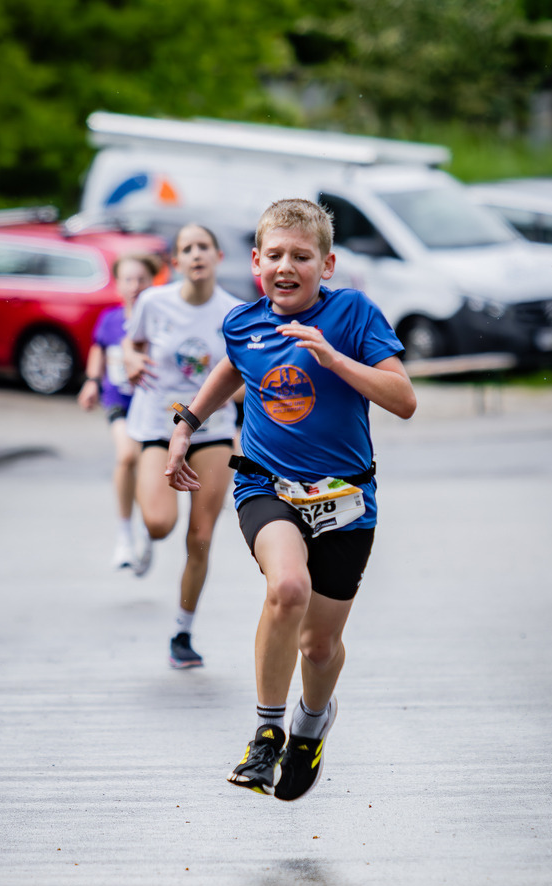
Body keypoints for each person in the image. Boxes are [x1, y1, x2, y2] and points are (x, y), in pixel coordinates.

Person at [165, 198, 417, 800]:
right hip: (265, 484)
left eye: (301, 256)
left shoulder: (354, 314)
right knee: (287, 588)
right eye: (274, 255)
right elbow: (234, 367)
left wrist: (335, 358)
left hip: (347, 495)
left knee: (320, 644)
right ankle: (267, 734)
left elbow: (404, 399)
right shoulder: (243, 322)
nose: (286, 266)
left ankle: (310, 727)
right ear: (255, 262)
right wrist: (186, 423)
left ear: (325, 265)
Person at [123, 223, 242, 669]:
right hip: (158, 423)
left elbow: (248, 375)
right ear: (175, 261)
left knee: (202, 536)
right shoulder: (154, 302)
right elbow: (129, 344)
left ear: (217, 256)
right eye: (186, 249)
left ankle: (182, 631)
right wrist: (130, 358)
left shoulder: (235, 313)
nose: (196, 254)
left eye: (204, 247)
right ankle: (143, 513)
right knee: (158, 525)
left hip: (212, 429)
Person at [78, 252, 164, 575]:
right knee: (127, 455)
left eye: (141, 279)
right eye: (128, 279)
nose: (134, 286)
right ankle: (124, 535)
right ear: (118, 285)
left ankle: (146, 531)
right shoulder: (111, 319)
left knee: (146, 467)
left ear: (153, 282)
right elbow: (98, 348)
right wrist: (90, 382)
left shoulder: (158, 319)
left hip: (151, 405)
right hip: (118, 401)